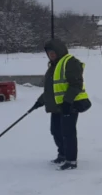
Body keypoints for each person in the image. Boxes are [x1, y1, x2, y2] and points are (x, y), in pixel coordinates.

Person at [32, 39, 91, 170]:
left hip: (70, 105)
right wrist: (40, 101)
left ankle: (71, 160)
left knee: (67, 132)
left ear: (60, 50)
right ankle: (63, 154)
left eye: (53, 52)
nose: (51, 55)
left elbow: (76, 84)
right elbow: (52, 89)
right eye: (49, 53)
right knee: (56, 131)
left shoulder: (70, 62)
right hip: (57, 106)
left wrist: (67, 102)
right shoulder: (54, 66)